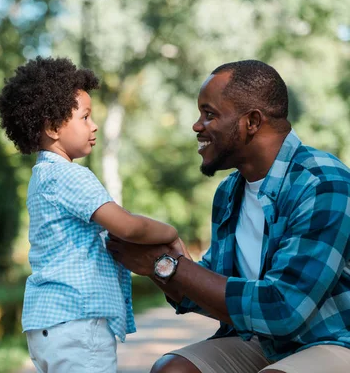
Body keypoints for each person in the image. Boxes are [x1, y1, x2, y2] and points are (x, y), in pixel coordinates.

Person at [108, 59, 350, 373]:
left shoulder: (323, 183)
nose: (197, 125)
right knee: (173, 369)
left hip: (331, 340)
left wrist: (168, 266)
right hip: (264, 342)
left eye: (209, 114)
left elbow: (284, 308)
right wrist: (156, 261)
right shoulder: (229, 192)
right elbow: (210, 286)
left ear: (251, 121)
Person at [0, 56, 181, 372]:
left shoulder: (43, 176)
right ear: (53, 128)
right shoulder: (69, 175)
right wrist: (171, 232)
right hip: (78, 321)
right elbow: (128, 227)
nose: (93, 125)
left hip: (50, 324)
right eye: (85, 117)